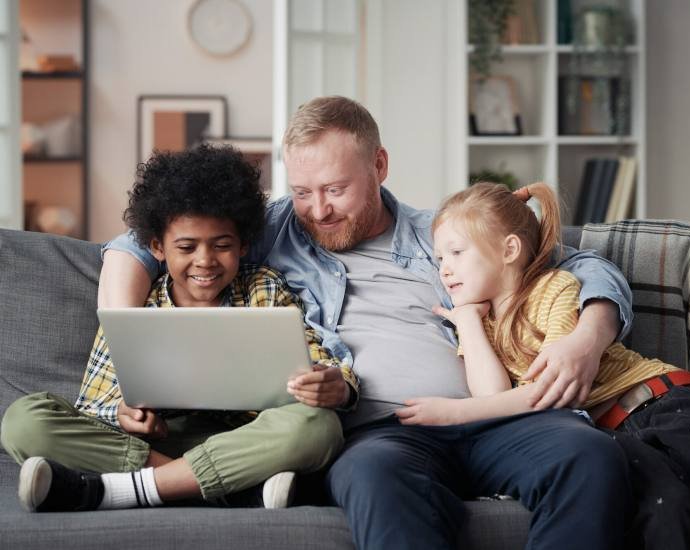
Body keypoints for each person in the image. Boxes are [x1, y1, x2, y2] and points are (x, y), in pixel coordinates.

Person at [95, 97, 633, 549]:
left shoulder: (440, 232)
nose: (319, 210)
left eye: (335, 189)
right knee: (373, 479)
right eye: (303, 192)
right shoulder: (269, 232)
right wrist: (129, 359)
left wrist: (589, 335)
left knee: (589, 456)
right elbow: (140, 244)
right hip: (381, 433)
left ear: (379, 165)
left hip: (495, 415)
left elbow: (584, 265)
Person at [0, 144, 347, 513]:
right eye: (187, 247)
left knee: (319, 426)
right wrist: (122, 413)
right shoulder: (137, 305)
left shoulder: (264, 287)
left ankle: (124, 490)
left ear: (244, 244)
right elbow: (94, 404)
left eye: (222, 245)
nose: (205, 261)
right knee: (23, 422)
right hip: (155, 448)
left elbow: (317, 361)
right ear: (157, 247)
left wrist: (326, 380)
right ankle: (225, 492)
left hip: (243, 441)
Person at [395, 181, 690, 549]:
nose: (444, 270)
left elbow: (550, 391)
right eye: (441, 258)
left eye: (456, 252)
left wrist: (456, 413)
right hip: (613, 433)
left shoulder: (554, 288)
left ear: (509, 249)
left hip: (663, 403)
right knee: (667, 510)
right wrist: (469, 322)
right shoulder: (479, 327)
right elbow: (495, 395)